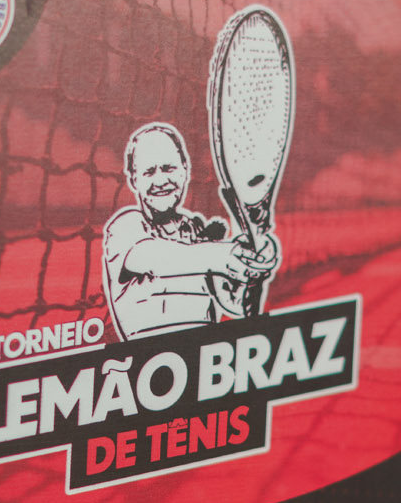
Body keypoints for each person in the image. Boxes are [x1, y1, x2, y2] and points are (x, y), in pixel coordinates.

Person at [102, 123, 278, 340]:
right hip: (148, 354)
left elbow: (235, 305)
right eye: (149, 172)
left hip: (203, 352)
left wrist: (253, 263)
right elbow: (152, 257)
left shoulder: (198, 233)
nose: (161, 181)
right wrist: (226, 255)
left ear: (184, 170)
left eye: (168, 168)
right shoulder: (125, 226)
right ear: (134, 180)